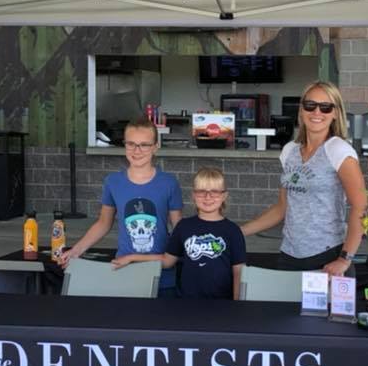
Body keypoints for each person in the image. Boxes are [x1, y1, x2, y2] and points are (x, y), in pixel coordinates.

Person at [241, 81, 367, 278]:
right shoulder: (289, 151)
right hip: (289, 254)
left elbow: (361, 208)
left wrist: (345, 258)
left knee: (323, 310)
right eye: (310, 105)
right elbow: (282, 208)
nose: (317, 112)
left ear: (335, 113)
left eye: (326, 107)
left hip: (327, 256)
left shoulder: (338, 150)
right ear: (301, 110)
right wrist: (239, 232)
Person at [59, 119, 183, 296]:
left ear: (155, 147)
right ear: (124, 145)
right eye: (131, 144)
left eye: (144, 145)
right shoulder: (113, 182)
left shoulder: (169, 183)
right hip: (124, 268)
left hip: (161, 273)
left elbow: (179, 228)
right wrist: (76, 250)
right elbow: (103, 223)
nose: (137, 151)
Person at [117, 166, 245, 299]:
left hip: (222, 302)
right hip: (186, 301)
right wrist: (131, 257)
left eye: (215, 192)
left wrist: (236, 304)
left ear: (224, 195)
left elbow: (238, 271)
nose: (208, 197)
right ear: (194, 195)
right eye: (201, 191)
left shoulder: (232, 230)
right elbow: (167, 261)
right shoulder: (184, 226)